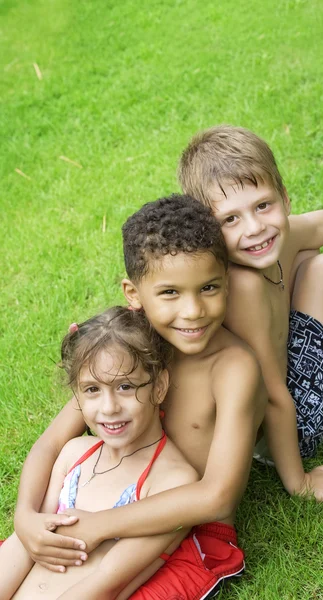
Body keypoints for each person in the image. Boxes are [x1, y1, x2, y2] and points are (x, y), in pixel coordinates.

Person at [11, 196, 264, 599]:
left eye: (209, 288)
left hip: (188, 527)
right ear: (134, 293)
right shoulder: (132, 348)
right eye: (170, 293)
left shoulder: (232, 367)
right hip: (116, 495)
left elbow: (215, 497)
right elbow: (52, 442)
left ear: (226, 282)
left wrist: (102, 524)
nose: (193, 310)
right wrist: (24, 516)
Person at [178, 124, 323, 503]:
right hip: (287, 428)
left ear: (284, 198)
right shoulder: (240, 287)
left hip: (290, 391)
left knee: (314, 262)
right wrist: (300, 482)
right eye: (230, 219)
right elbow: (274, 395)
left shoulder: (281, 236)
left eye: (263, 205)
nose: (255, 228)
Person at [0, 306, 198, 599]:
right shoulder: (74, 455)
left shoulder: (172, 483)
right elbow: (25, 545)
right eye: (92, 389)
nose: (109, 408)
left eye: (125, 386)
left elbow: (107, 584)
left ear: (159, 386)